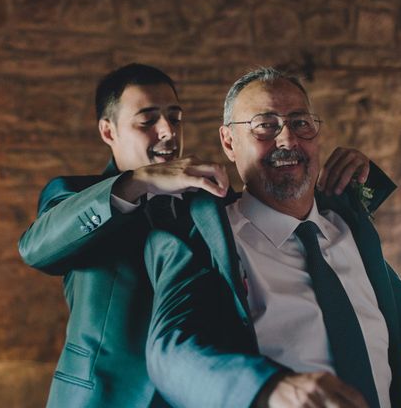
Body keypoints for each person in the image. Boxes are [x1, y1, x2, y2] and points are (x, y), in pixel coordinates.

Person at [19, 63, 377, 407]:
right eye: (147, 120)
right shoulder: (76, 195)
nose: (167, 131)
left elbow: (286, 208)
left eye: (175, 118)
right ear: (108, 131)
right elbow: (35, 248)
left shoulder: (207, 200)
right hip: (109, 399)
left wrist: (363, 179)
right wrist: (140, 181)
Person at [143, 67, 401, 408]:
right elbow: (174, 352)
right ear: (228, 142)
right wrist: (267, 389)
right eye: (266, 125)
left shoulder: (351, 232)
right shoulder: (203, 238)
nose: (287, 140)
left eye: (300, 123)